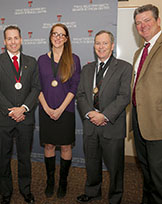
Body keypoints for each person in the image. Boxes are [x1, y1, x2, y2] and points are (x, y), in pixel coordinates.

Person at [76, 30, 132, 204]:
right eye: (98, 43)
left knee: (115, 166)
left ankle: (115, 197)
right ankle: (93, 191)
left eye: (105, 43)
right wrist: (90, 113)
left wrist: (104, 116)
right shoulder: (87, 69)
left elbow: (124, 96)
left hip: (112, 125)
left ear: (112, 46)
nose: (101, 47)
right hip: (90, 123)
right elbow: (81, 95)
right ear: (94, 46)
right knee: (92, 163)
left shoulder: (124, 67)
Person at [0, 25, 40, 204]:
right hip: (3, 119)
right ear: (4, 41)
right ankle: (6, 192)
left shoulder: (31, 62)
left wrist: (23, 108)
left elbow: (36, 88)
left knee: (25, 158)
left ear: (21, 39)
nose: (13, 42)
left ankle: (26, 190)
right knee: (4, 158)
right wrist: (11, 110)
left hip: (25, 118)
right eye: (9, 39)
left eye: (16, 38)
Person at [38, 23, 81, 199]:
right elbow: (37, 86)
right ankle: (50, 181)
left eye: (62, 35)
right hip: (46, 110)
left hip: (66, 111)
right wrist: (48, 109)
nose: (58, 37)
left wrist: (60, 109)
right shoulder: (41, 59)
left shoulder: (74, 59)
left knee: (65, 146)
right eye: (55, 34)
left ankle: (63, 182)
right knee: (49, 145)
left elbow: (74, 87)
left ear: (66, 38)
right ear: (50, 36)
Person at [131, 4, 162, 204]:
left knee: (159, 173)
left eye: (147, 20)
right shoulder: (139, 52)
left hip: (157, 121)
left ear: (158, 21)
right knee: (146, 168)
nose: (142, 26)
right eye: (138, 23)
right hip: (138, 118)